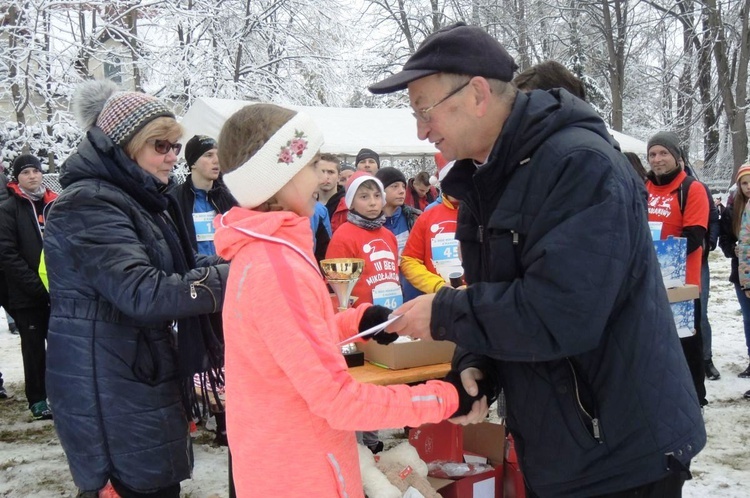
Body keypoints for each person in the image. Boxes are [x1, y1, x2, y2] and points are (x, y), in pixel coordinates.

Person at [370, 22, 705, 497]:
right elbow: (497, 292)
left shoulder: (580, 165)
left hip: (622, 447)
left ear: (478, 94)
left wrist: (446, 315)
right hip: (562, 444)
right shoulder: (484, 181)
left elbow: (564, 311)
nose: (422, 130)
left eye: (425, 110)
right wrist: (477, 364)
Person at [212, 103, 479, 497]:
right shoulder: (276, 267)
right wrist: (445, 396)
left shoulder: (266, 253)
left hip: (287, 463)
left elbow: (292, 343)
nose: (323, 179)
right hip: (300, 474)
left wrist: (360, 321)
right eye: (311, 166)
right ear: (277, 177)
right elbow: (337, 400)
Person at [44, 80, 229, 498]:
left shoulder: (136, 198)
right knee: (138, 486)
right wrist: (230, 279)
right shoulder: (89, 203)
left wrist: (245, 265)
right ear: (126, 145)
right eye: (160, 145)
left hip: (135, 369)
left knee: (157, 482)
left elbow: (178, 267)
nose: (171, 156)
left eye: (175, 146)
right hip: (107, 383)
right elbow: (143, 292)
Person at [645, 131, 710, 405]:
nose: (657, 159)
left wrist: (659, 249)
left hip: (681, 284)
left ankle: (695, 399)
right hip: (646, 281)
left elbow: (695, 237)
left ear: (677, 157)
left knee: (686, 344)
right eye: (652, 154)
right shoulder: (644, 186)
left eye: (663, 153)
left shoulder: (691, 188)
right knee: (652, 342)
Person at [0, 154, 57, 420]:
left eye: (35, 171)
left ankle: (63, 393)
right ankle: (37, 398)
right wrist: (36, 285)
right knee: (33, 348)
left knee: (61, 345)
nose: (32, 176)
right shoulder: (9, 209)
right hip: (27, 294)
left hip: (59, 290)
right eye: (26, 173)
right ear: (17, 178)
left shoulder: (55, 203)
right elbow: (7, 253)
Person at [327, 171, 403, 310]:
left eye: (377, 196)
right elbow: (338, 292)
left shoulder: (388, 235)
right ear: (351, 203)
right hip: (360, 321)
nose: (373, 203)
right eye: (364, 197)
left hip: (391, 315)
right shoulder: (343, 236)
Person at [401, 161, 462, 293]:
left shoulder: (485, 216)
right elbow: (409, 260)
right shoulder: (427, 217)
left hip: (477, 299)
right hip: (437, 299)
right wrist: (437, 286)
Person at [171, 134, 237, 256]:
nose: (216, 160)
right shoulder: (174, 199)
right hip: (196, 272)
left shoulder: (230, 198)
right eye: (209, 155)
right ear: (193, 163)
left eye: (218, 154)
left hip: (226, 270)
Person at [719, 164, 750, 398]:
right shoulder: (732, 210)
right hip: (742, 272)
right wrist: (734, 250)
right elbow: (725, 241)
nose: (748, 187)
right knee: (748, 319)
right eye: (744, 183)